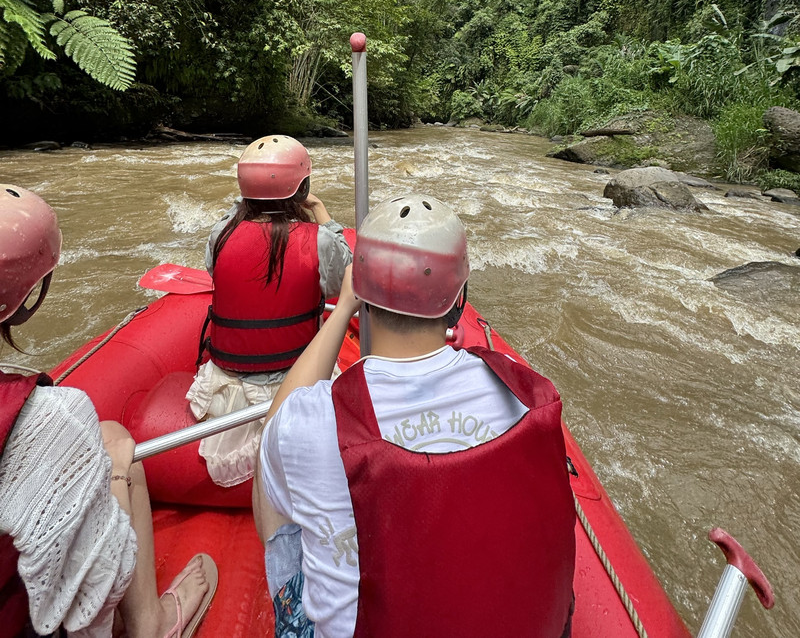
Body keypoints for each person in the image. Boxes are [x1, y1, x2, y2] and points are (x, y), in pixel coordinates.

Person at [253, 193, 576, 638]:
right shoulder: (521, 388)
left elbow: (275, 429)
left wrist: (343, 307)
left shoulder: (310, 418)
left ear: (362, 290)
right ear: (459, 294)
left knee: (271, 473)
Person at [0, 184, 218, 638]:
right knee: (118, 445)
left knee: (108, 431)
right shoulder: (54, 416)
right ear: (28, 299)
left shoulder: (222, 234)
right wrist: (116, 473)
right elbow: (100, 577)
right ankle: (150, 625)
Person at [187, 135, 352, 486]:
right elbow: (345, 279)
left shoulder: (221, 234)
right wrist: (320, 210)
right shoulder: (318, 239)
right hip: (296, 380)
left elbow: (213, 268)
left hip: (227, 384)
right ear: (302, 188)